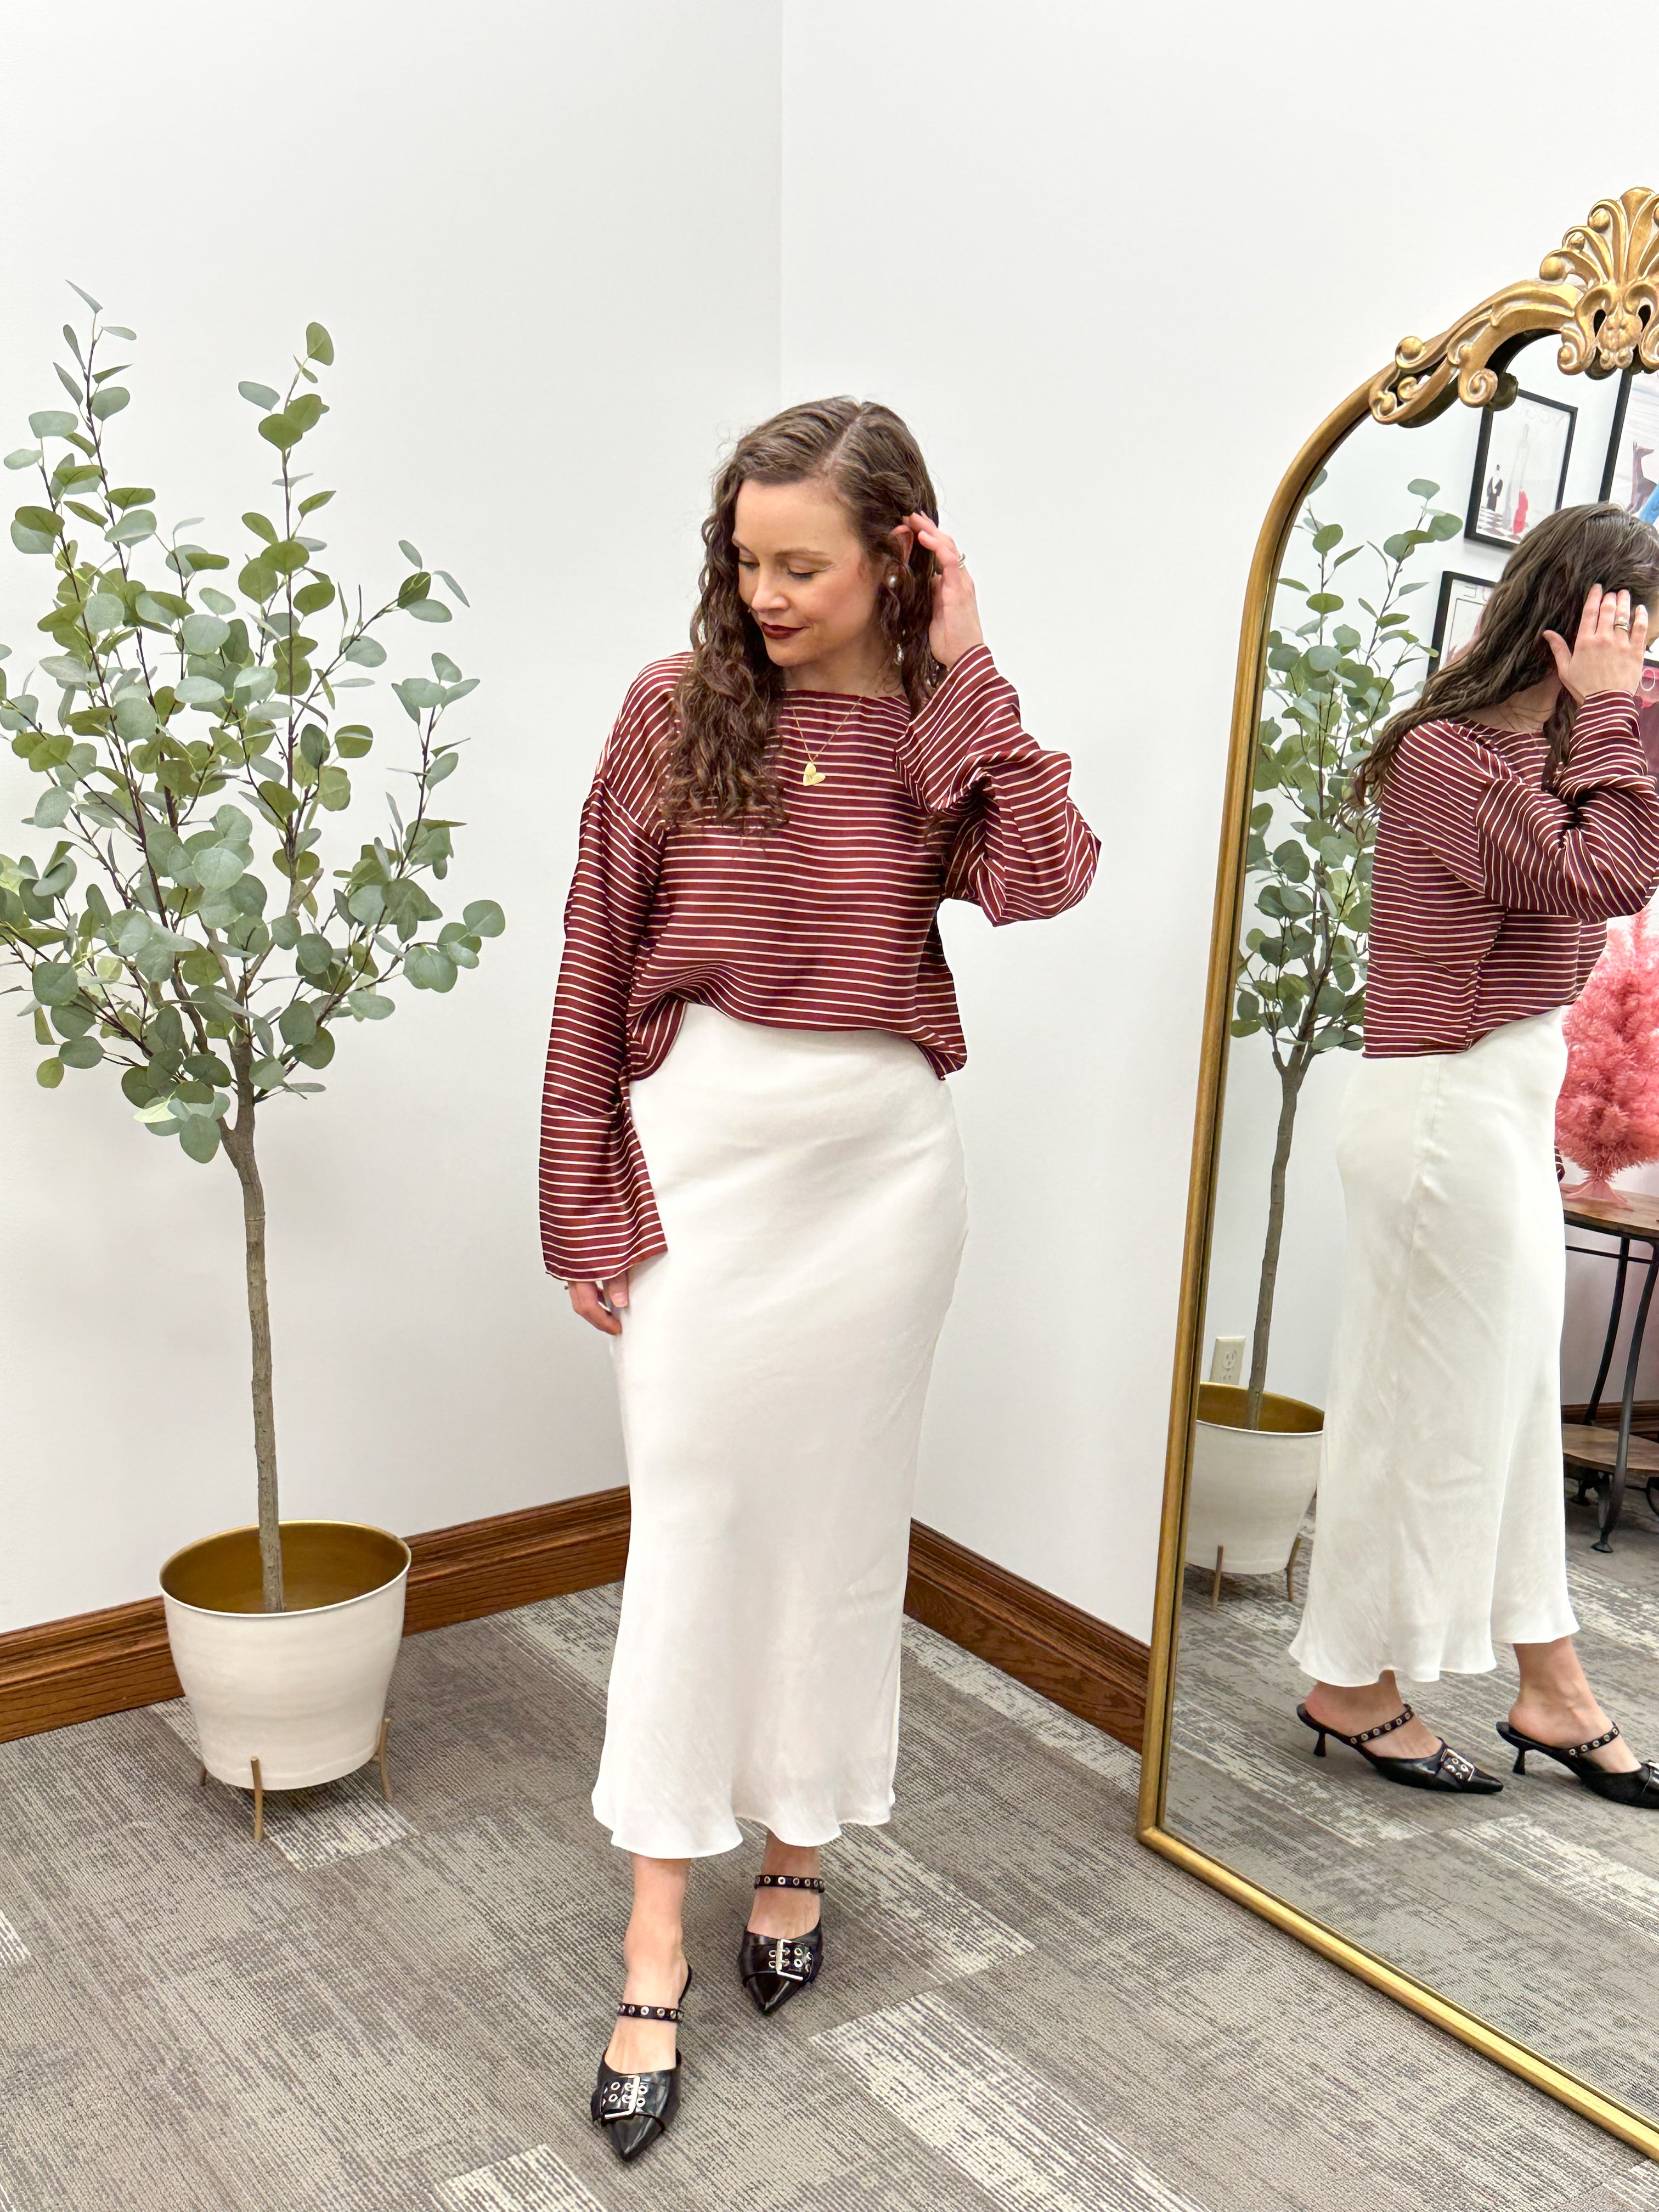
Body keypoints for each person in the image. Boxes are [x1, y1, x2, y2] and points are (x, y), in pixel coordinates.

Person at [539, 397, 1099, 2162]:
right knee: (695, 1520)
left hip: (880, 1168)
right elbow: (592, 958)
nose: (764, 592)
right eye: (746, 560)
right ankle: (651, 1932)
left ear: (900, 556)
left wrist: (973, 670)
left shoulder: (942, 726)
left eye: (804, 564)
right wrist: (582, 1194)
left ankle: (795, 1841)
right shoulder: (670, 709)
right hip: (706, 1146)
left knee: (844, 1526)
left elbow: (1045, 880)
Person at [1289, 503, 1659, 1807]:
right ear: (1573, 628)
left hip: (1492, 1107)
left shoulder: (1556, 759)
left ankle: (1545, 1682)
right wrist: (1614, 716)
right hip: (1442, 1110)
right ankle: (1362, 1679)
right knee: (1436, 1421)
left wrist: (1615, 721)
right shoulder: (1449, 759)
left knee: (1494, 1416)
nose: (1643, 671)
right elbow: (1605, 878)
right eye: (1632, 640)